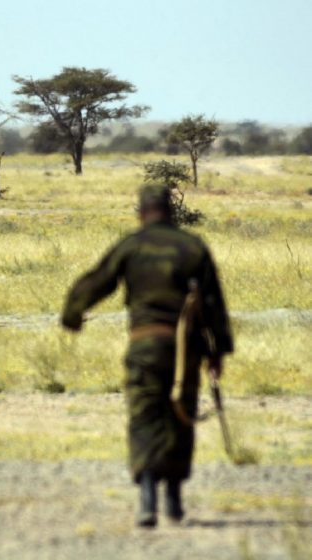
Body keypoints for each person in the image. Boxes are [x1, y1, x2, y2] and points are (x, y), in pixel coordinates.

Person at [61, 183, 233, 528]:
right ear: (170, 211)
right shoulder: (193, 247)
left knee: (144, 414)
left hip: (146, 345)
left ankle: (148, 496)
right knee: (181, 414)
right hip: (187, 350)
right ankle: (173, 499)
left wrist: (72, 314)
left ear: (141, 213)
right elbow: (214, 304)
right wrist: (217, 352)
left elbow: (98, 279)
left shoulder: (132, 245)